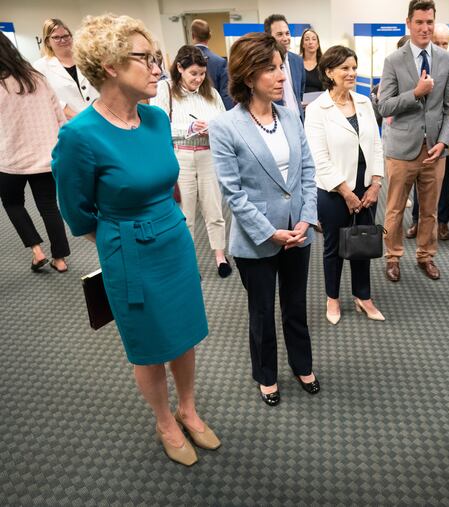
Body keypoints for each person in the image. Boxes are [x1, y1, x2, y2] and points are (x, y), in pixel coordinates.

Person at [52, 14, 218, 467]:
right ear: (109, 65)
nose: (157, 69)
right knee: (149, 346)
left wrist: (168, 220)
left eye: (156, 58)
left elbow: (168, 181)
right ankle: (165, 420)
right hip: (128, 249)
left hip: (173, 237)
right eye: (145, 59)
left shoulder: (156, 118)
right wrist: (118, 236)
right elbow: (76, 211)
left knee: (184, 336)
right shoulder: (79, 135)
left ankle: (188, 408)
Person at [209, 33, 320, 407]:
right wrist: (269, 232)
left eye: (281, 68)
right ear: (248, 74)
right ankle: (266, 375)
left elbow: (307, 170)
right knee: (261, 311)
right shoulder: (226, 126)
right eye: (270, 69)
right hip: (258, 237)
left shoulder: (290, 116)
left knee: (295, 305)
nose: (281, 76)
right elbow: (232, 192)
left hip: (297, 231)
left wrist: (306, 219)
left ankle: (302, 365)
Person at [377, 0, 449, 282]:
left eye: (429, 22)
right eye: (419, 22)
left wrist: (444, 142)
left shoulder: (447, 60)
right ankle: (392, 257)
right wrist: (416, 92)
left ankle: (425, 255)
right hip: (401, 150)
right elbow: (384, 106)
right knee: (395, 209)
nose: (425, 28)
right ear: (408, 23)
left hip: (434, 151)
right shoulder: (394, 60)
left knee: (429, 211)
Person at [305, 45, 385, 324]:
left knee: (362, 242)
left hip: (365, 187)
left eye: (354, 67)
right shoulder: (317, 109)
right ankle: (333, 298)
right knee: (333, 247)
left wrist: (375, 184)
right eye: (345, 68)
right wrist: (346, 192)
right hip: (333, 190)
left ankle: (363, 296)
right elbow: (319, 158)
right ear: (329, 72)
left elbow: (376, 145)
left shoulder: (363, 102)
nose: (352, 73)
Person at [151, 45, 231, 278]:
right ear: (179, 68)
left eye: (202, 73)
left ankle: (220, 256)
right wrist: (188, 127)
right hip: (180, 156)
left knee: (214, 209)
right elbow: (158, 125)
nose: (199, 79)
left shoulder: (212, 93)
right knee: (185, 214)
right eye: (193, 73)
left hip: (208, 154)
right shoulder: (165, 89)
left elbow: (225, 123)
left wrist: (212, 126)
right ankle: (188, 260)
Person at [0, 32, 70, 273]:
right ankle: (60, 259)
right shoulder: (37, 78)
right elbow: (59, 116)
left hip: (10, 158)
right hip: (45, 156)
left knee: (12, 203)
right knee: (49, 206)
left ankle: (37, 251)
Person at [407, 22, 449, 242]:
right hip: (419, 134)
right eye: (437, 42)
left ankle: (442, 222)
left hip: (446, 135)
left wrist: (441, 132)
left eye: (445, 43)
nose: (441, 47)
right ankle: (416, 220)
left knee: (444, 179)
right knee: (418, 177)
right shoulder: (418, 63)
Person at [32, 18, 99, 119]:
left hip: (101, 115)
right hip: (71, 122)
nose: (63, 40)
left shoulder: (88, 57)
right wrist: (80, 119)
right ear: (47, 42)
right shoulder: (40, 67)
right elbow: (48, 99)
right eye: (56, 37)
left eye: (66, 36)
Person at [264, 14, 306, 121]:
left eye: (287, 33)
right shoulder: (263, 63)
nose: (285, 38)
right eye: (279, 34)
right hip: (275, 119)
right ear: (269, 36)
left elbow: (300, 91)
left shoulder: (298, 60)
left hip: (298, 119)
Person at [191, 19, 234, 111]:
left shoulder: (184, 62)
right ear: (209, 36)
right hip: (214, 110)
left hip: (190, 113)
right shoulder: (220, 62)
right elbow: (225, 94)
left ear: (192, 35)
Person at [300, 28, 324, 94]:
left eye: (314, 39)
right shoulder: (297, 63)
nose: (310, 42)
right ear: (303, 44)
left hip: (320, 101)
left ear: (318, 44)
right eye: (307, 39)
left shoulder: (324, 64)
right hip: (300, 102)